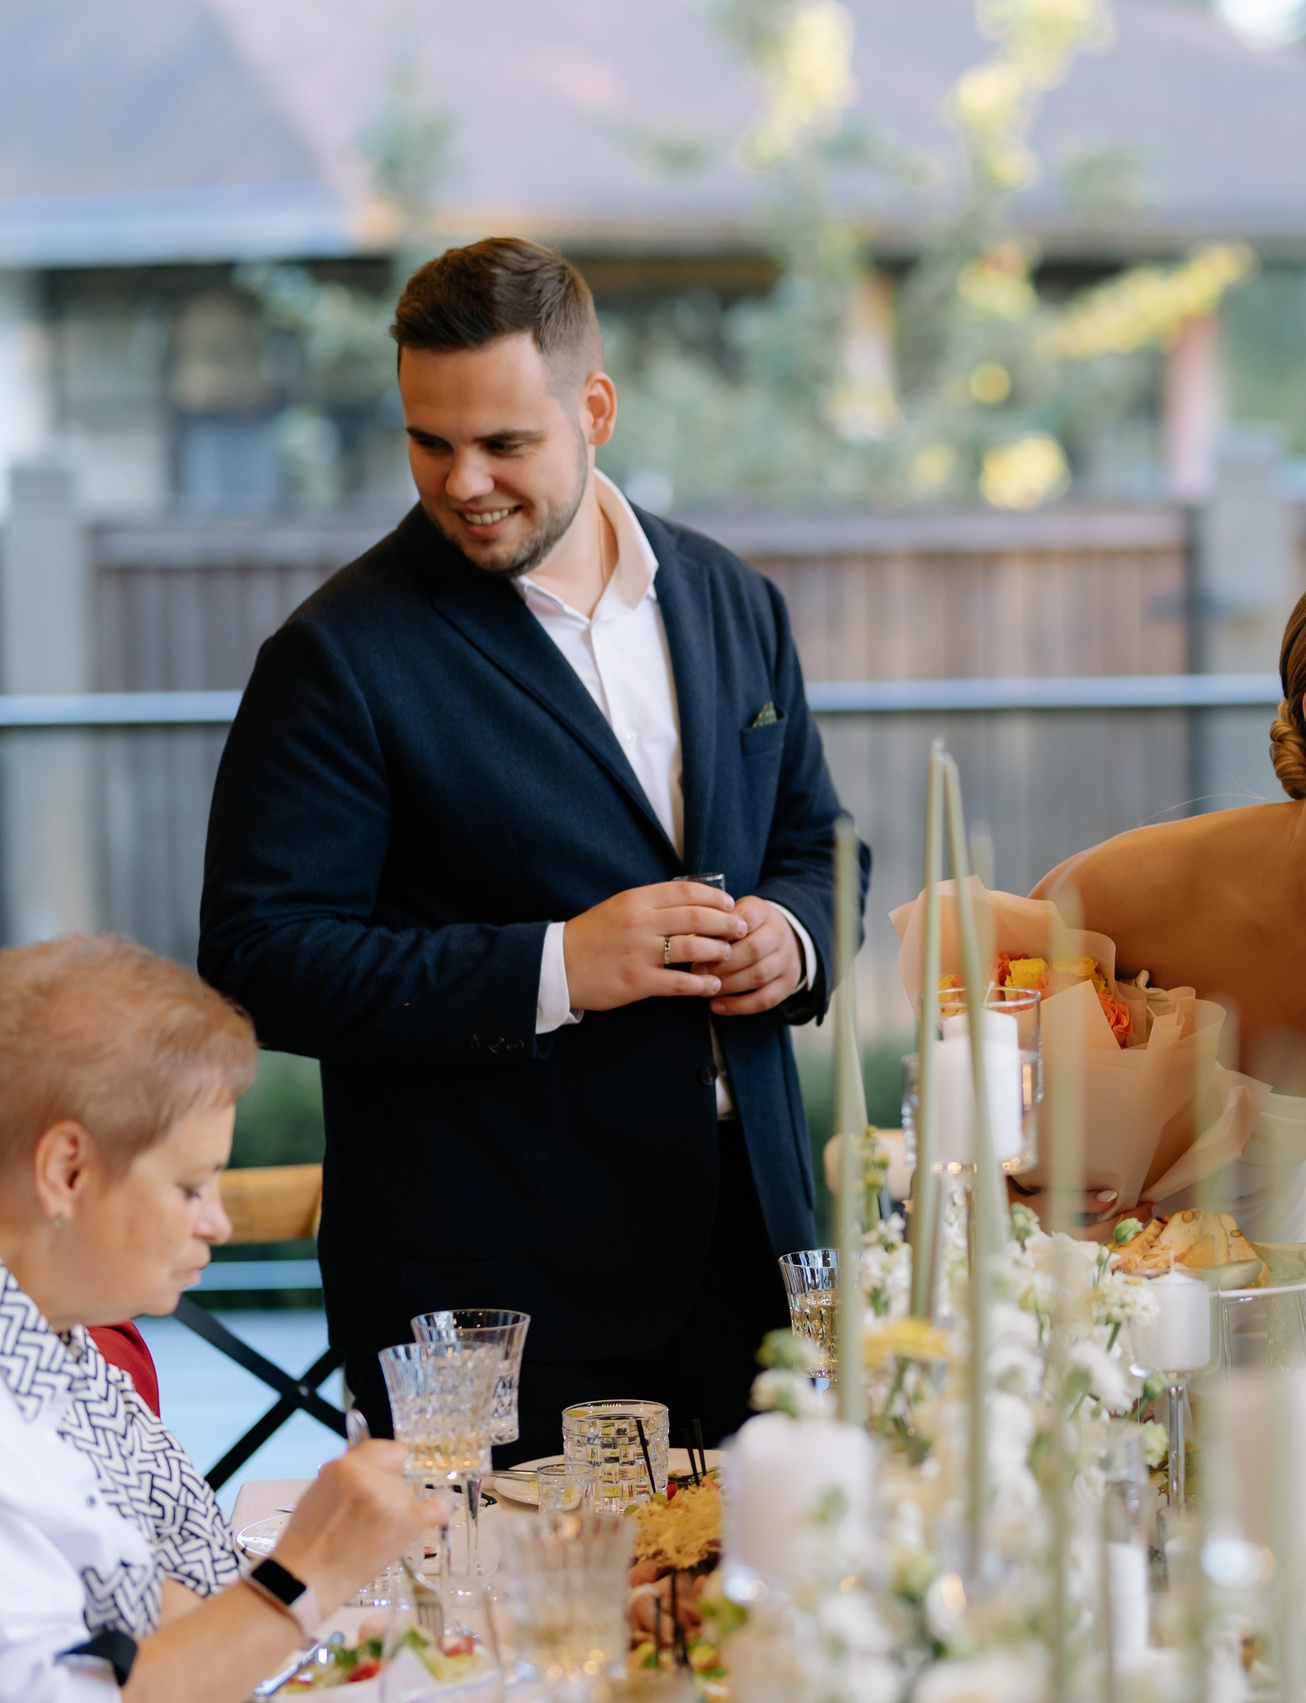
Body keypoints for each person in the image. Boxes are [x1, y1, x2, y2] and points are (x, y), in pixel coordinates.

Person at [198, 238, 854, 1461]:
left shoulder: (731, 598)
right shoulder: (335, 657)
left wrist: (796, 936)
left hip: (757, 1255)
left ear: (594, 405)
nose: (463, 483)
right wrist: (554, 966)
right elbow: (257, 955)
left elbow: (819, 839)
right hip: (495, 1296)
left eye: (505, 444)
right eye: (428, 442)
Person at [0, 936, 442, 1703]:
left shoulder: (65, 1352)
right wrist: (309, 1568)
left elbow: (157, 1615)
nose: (219, 1223)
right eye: (191, 1185)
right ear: (66, 1172)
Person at [1030, 553, 1306, 1240]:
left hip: (1280, 1312)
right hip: (1087, 1303)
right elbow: (961, 1070)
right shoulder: (1139, 888)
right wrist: (1015, 1199)